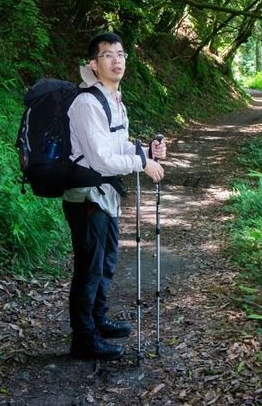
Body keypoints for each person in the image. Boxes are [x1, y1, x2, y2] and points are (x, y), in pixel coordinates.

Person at [63, 32, 166, 361]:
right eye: (108, 55)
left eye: (121, 54)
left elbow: (117, 147)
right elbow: (101, 160)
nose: (117, 60)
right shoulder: (86, 103)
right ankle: (83, 339)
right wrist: (142, 162)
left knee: (106, 263)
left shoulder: (114, 100)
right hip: (86, 198)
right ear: (94, 64)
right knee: (89, 268)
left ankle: (98, 320)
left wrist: (145, 150)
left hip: (105, 195)